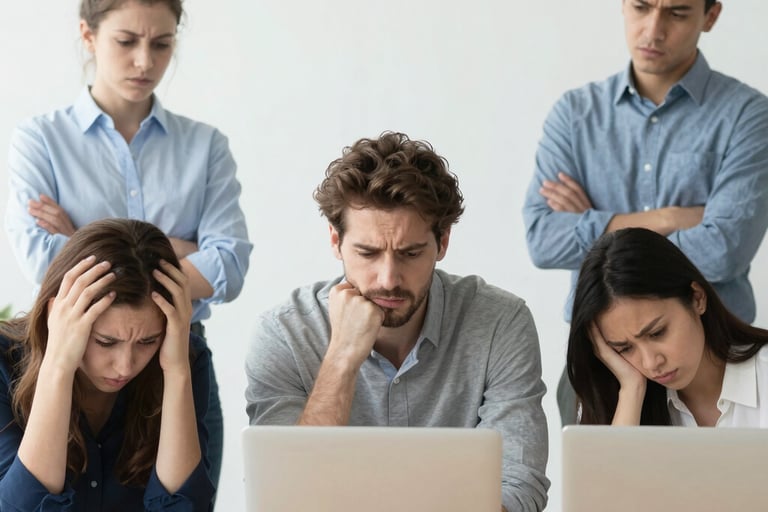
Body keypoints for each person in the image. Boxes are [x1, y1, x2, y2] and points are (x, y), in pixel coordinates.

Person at [4, 0, 252, 486]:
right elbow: (42, 261)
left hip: (177, 362)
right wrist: (182, 249)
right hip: (77, 364)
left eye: (162, 44)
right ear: (89, 35)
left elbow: (229, 264)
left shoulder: (205, 146)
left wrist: (80, 236)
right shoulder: (40, 140)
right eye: (126, 41)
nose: (145, 61)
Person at [245, 132, 550, 512]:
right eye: (367, 253)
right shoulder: (284, 334)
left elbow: (518, 487)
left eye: (410, 253)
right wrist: (341, 358)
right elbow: (283, 497)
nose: (388, 279)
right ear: (335, 241)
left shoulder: (500, 323)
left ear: (443, 242)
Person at [522, 0, 768, 425]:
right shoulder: (575, 115)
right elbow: (543, 239)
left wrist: (598, 223)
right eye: (641, 7)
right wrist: (669, 218)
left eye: (677, 13)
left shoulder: (747, 116)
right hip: (607, 366)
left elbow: (725, 249)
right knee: (603, 470)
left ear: (710, 16)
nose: (653, 30)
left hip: (722, 366)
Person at [0, 218, 214, 510]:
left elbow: (185, 507)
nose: (125, 366)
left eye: (147, 341)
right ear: (58, 315)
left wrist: (177, 373)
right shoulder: (4, 361)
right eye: (106, 342)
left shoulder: (184, 359)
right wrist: (58, 366)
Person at [567, 227, 768, 427]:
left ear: (697, 298)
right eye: (624, 348)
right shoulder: (609, 403)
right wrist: (631, 391)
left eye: (657, 333)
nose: (650, 363)